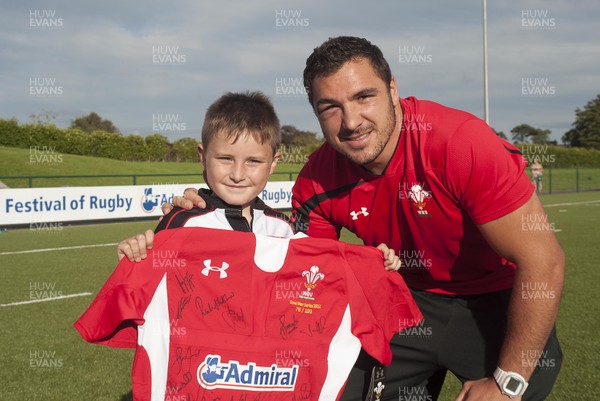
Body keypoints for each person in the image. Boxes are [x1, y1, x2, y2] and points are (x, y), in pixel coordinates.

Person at [169, 37, 564, 401]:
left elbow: (543, 261)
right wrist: (210, 212)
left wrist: (507, 381)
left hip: (495, 300)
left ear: (392, 89)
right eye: (331, 107)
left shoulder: (458, 142)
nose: (352, 121)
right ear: (315, 114)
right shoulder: (316, 179)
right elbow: (302, 278)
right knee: (332, 386)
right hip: (403, 299)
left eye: (364, 97)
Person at [117, 90, 401, 273]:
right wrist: (133, 255)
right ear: (203, 158)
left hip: (265, 365)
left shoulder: (284, 228)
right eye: (225, 159)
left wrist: (371, 261)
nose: (238, 174)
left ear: (273, 163)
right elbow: (147, 291)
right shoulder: (182, 222)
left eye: (253, 161)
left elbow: (324, 266)